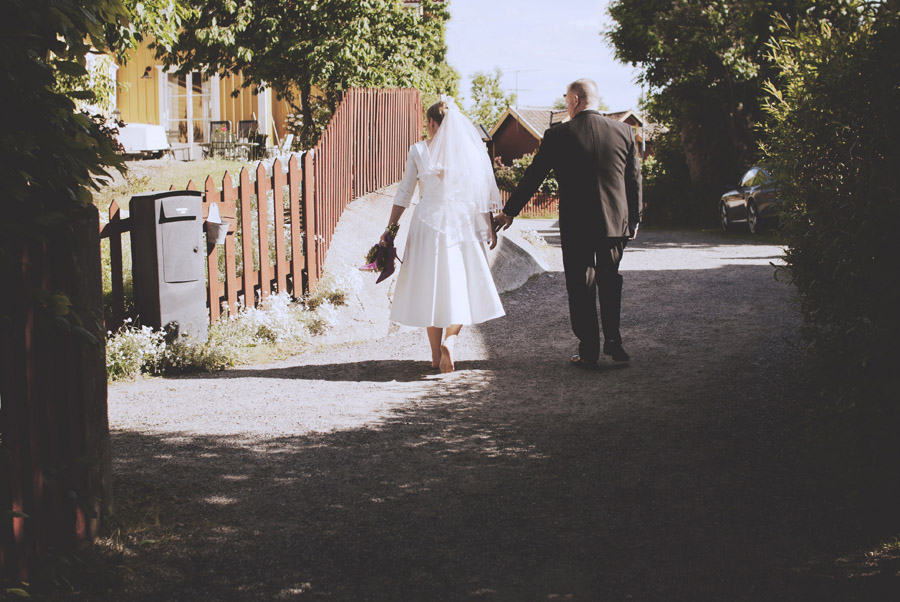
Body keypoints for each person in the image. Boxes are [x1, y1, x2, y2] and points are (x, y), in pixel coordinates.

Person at [494, 78, 642, 367]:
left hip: (577, 224)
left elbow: (534, 175)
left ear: (575, 101)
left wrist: (509, 211)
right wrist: (634, 218)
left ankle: (588, 350)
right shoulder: (624, 131)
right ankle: (614, 342)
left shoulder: (558, 135)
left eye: (566, 102)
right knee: (610, 280)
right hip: (615, 222)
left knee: (581, 284)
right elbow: (634, 179)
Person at [382, 98, 505, 373]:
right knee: (461, 286)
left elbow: (404, 193)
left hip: (427, 222)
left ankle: (435, 357)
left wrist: (390, 228)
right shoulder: (469, 153)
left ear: (431, 123)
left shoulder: (418, 150)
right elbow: (481, 192)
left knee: (431, 287)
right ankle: (451, 339)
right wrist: (487, 226)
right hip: (460, 222)